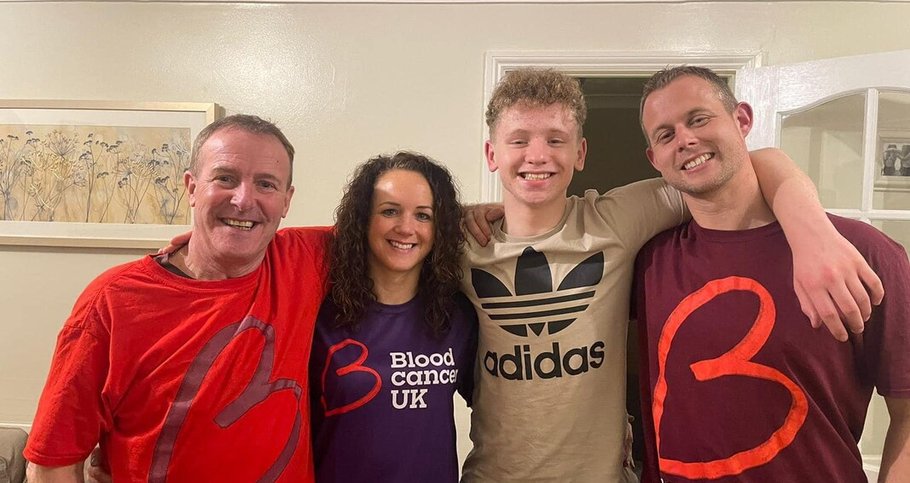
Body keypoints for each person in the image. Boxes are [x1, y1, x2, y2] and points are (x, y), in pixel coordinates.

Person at [458, 68, 884, 482]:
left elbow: (738, 166)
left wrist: (811, 230)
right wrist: (461, 214)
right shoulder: (459, 245)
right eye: (519, 141)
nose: (537, 155)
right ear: (492, 155)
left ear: (581, 153)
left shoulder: (618, 219)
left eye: (556, 140)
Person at [634, 66, 910, 482]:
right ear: (656, 159)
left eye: (699, 119)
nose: (686, 140)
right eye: (665, 134)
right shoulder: (648, 264)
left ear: (742, 120)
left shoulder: (861, 253)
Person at [24, 115, 331, 482]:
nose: (243, 199)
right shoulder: (114, 301)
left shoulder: (305, 260)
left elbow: (406, 230)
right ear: (191, 187)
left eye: (266, 184)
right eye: (225, 178)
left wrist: (221, 230)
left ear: (286, 200)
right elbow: (52, 461)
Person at [309, 152, 477, 482]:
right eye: (390, 211)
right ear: (363, 220)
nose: (406, 228)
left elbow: (497, 411)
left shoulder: (457, 316)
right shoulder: (319, 317)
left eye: (424, 216)